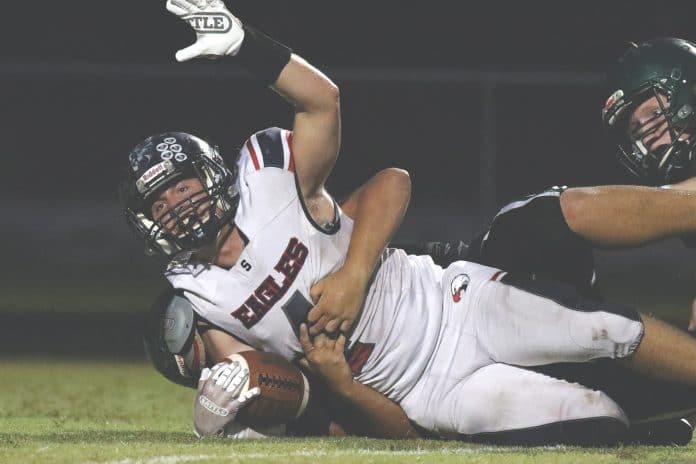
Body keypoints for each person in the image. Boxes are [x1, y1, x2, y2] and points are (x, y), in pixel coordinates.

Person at [124, 4, 696, 444]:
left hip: (453, 303)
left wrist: (247, 44)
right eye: (159, 203)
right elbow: (251, 380)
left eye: (181, 185)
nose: (176, 205)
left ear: (212, 174)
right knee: (597, 419)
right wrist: (248, 403)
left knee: (610, 331)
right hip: (427, 391)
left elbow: (327, 107)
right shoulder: (192, 297)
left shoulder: (269, 177)